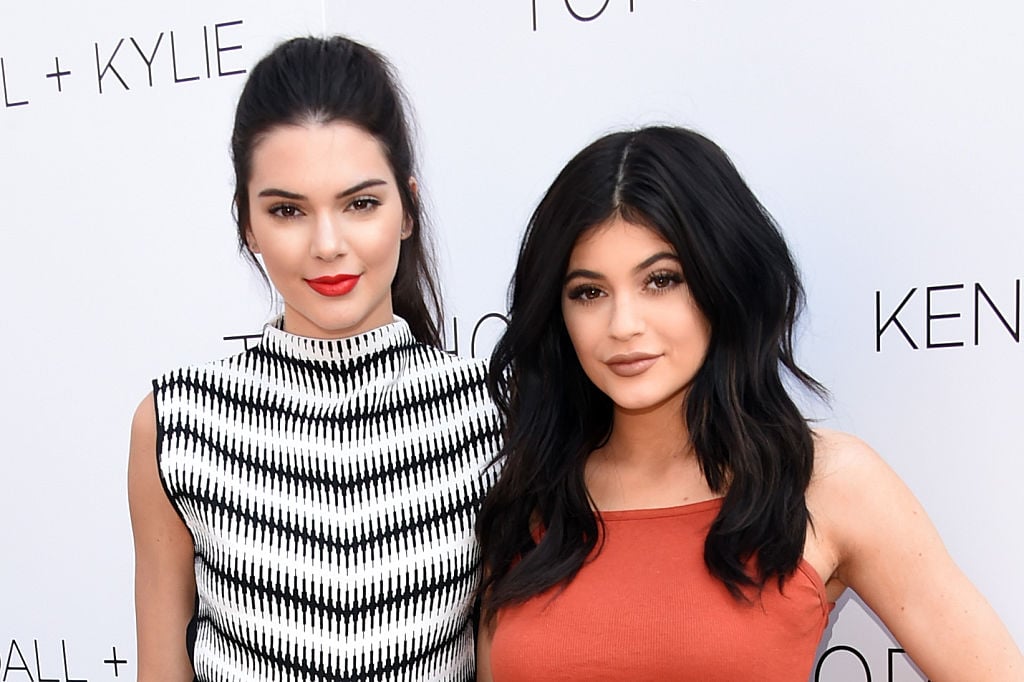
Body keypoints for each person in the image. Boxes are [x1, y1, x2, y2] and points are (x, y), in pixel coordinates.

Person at [474, 126, 1023, 681]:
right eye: (589, 292)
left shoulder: (826, 482)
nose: (623, 325)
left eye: (661, 281)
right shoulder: (530, 497)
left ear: (724, 282)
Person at [127, 36, 501, 681]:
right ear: (247, 223)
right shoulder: (176, 423)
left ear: (408, 207)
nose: (328, 245)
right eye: (287, 210)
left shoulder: (491, 412)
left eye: (360, 204)